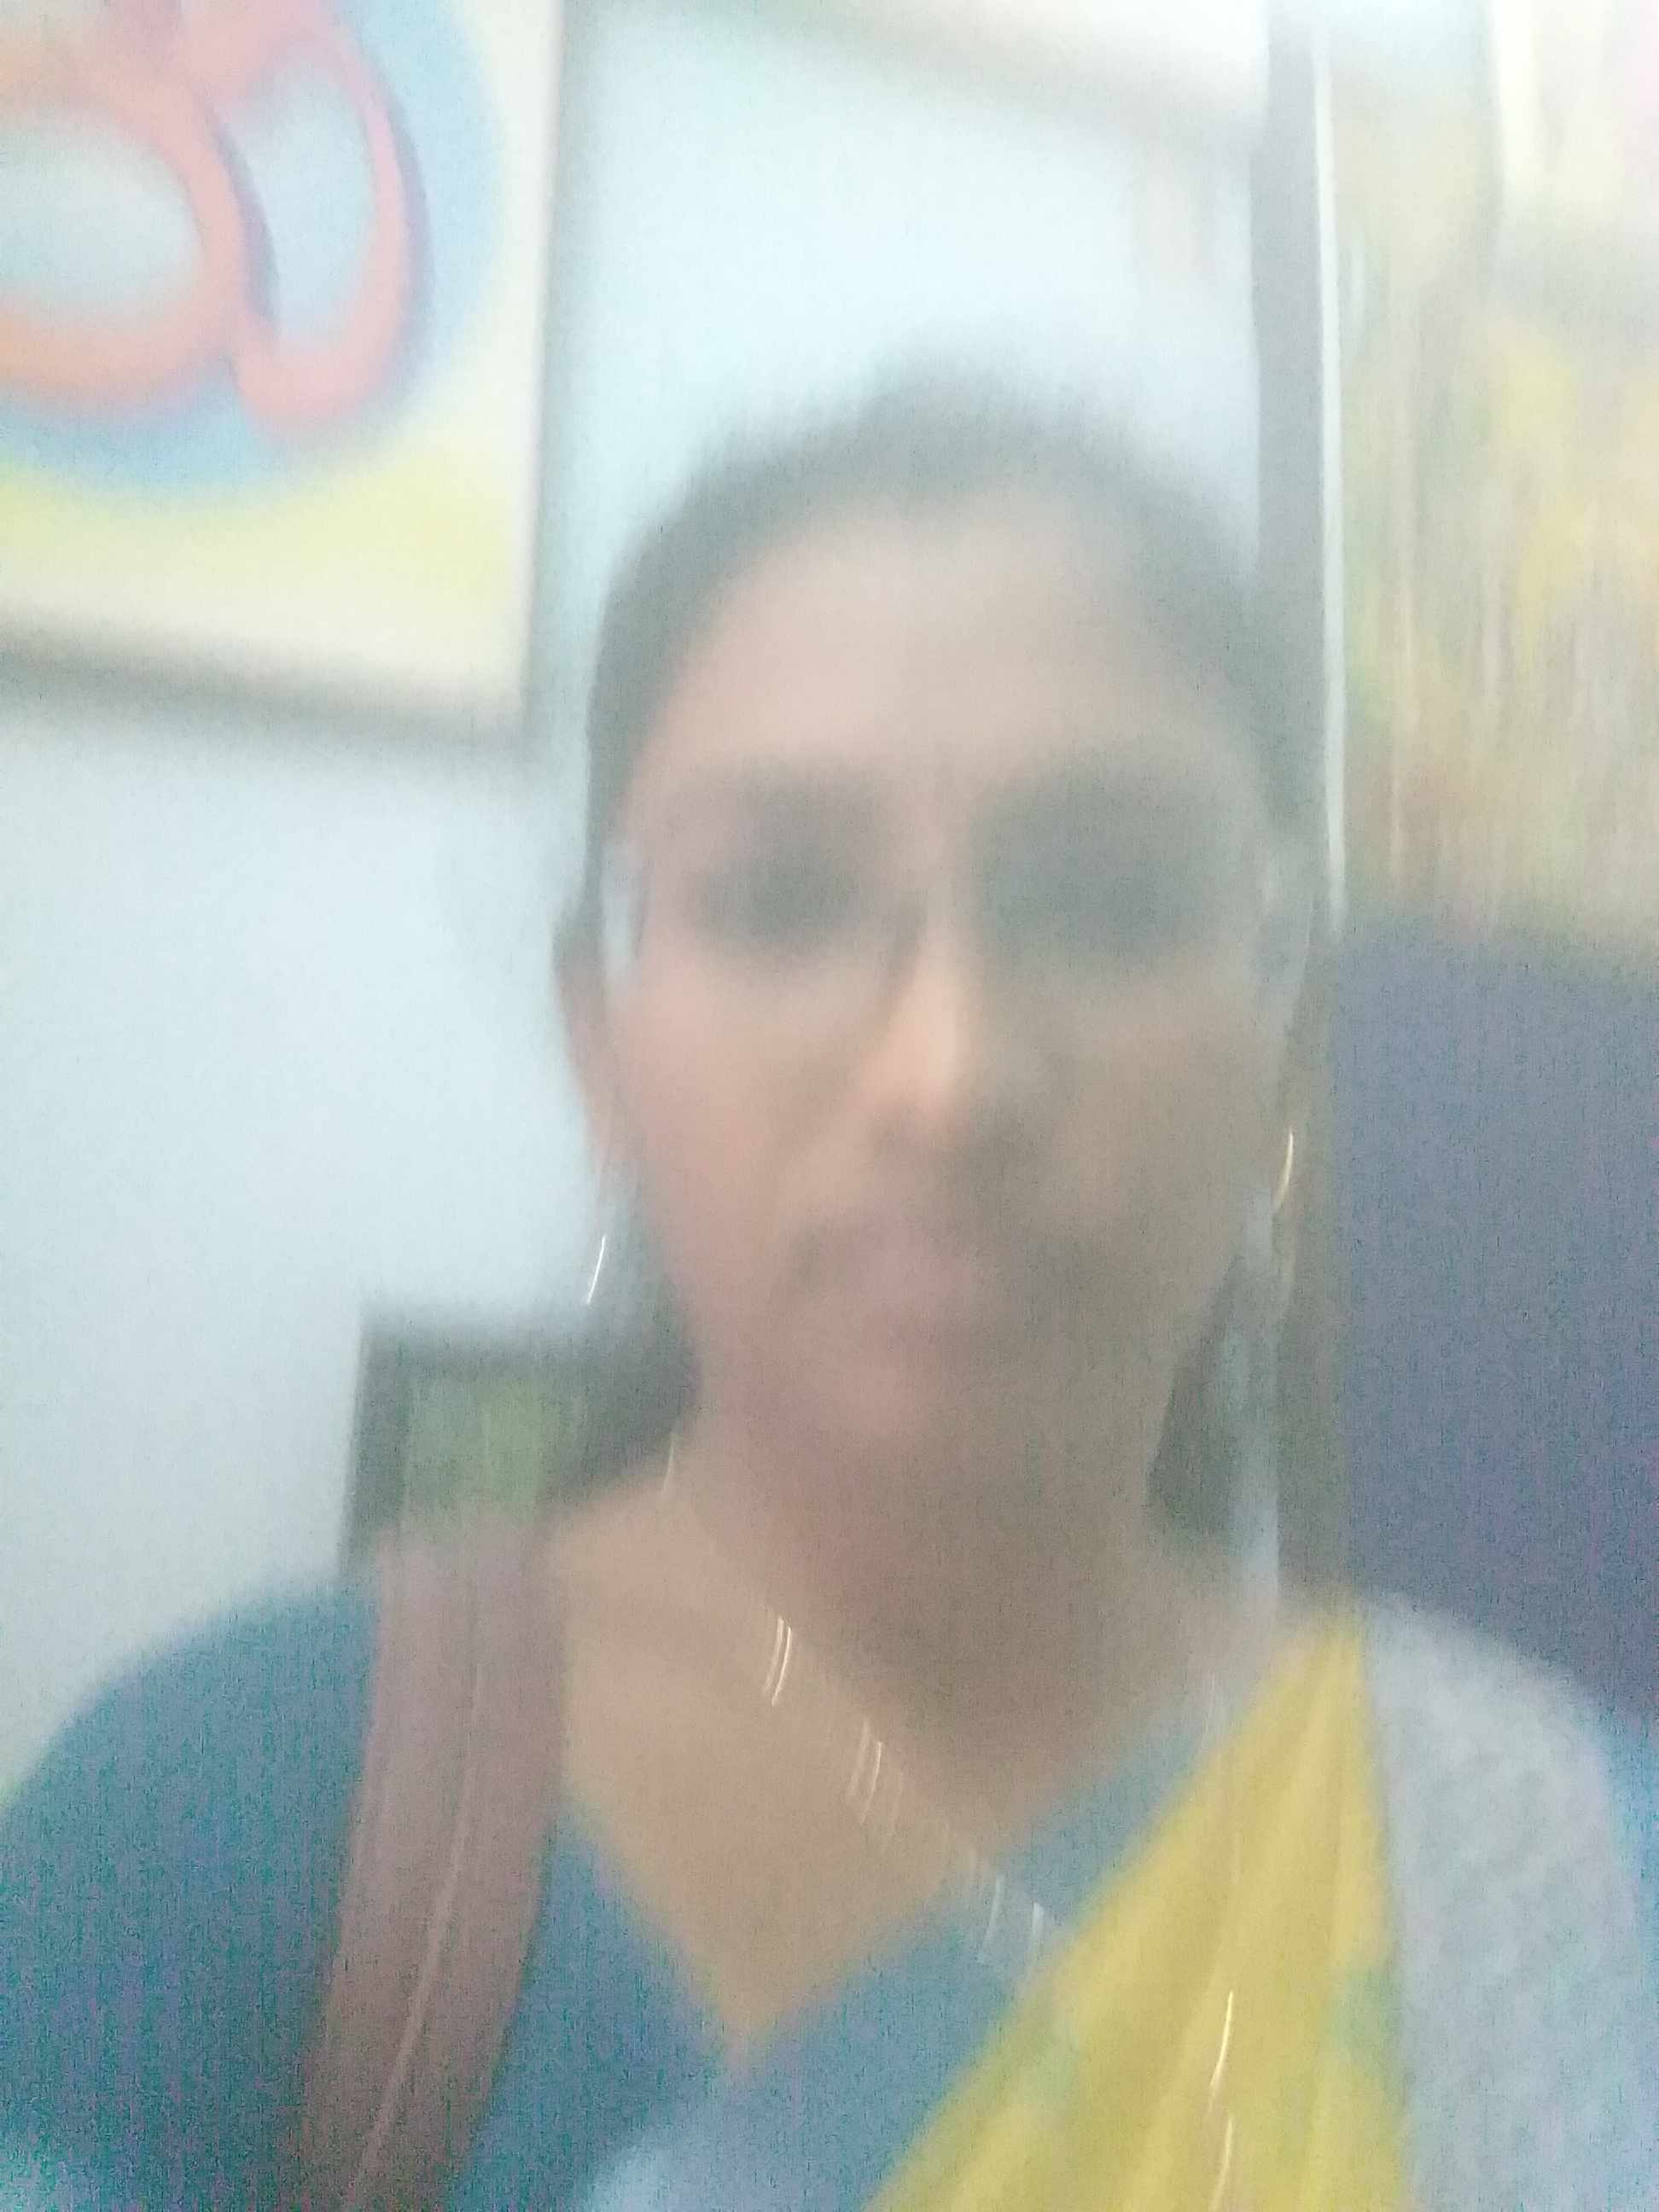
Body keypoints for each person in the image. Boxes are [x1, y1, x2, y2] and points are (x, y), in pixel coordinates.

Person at [2, 381, 1653, 2212]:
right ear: (602, 1050)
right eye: (780, 900)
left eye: (1114, 903)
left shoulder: (1563, 1871)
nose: (950, 1077)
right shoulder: (218, 1830)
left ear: (1287, 1042)